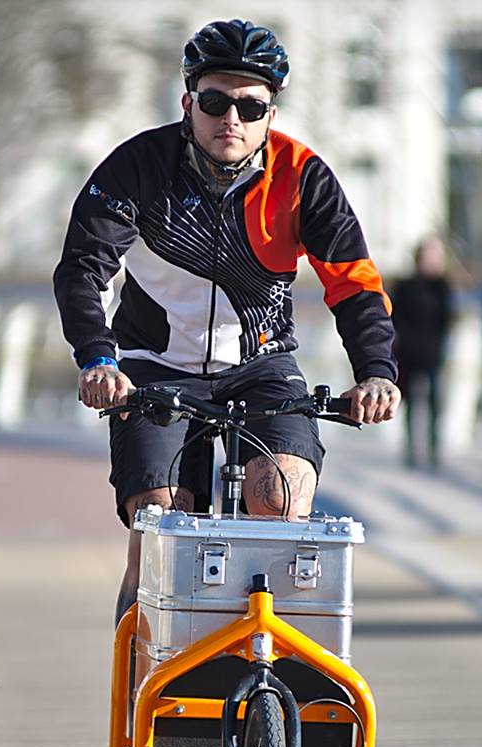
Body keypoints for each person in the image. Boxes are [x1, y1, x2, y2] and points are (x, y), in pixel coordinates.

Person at [53, 19, 401, 625]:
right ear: (189, 101)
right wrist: (97, 358)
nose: (230, 119)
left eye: (250, 105)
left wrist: (375, 372)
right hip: (152, 368)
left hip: (261, 364)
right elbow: (83, 270)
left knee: (281, 498)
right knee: (161, 524)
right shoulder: (138, 167)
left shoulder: (303, 176)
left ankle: (265, 668)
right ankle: (142, 686)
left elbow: (354, 282)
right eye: (215, 101)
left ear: (271, 112)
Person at [390, 236, 454, 468]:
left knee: (435, 402)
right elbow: (394, 316)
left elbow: (447, 319)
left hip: (434, 352)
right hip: (408, 351)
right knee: (410, 402)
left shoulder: (443, 286)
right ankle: (410, 448)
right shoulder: (405, 285)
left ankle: (434, 448)